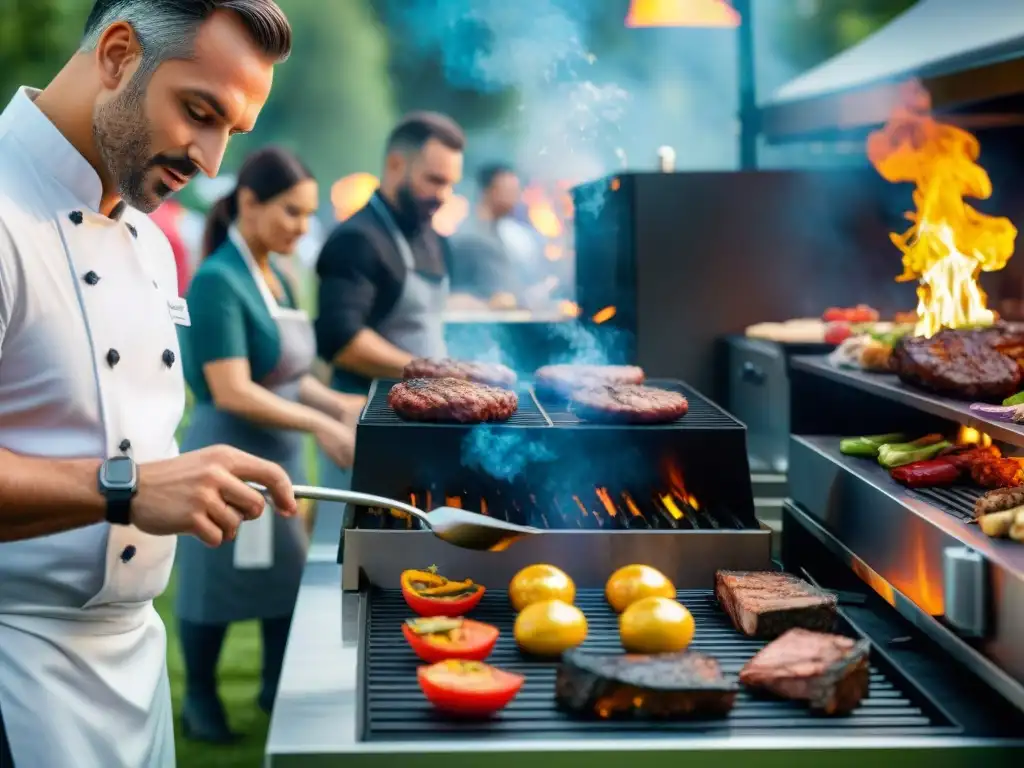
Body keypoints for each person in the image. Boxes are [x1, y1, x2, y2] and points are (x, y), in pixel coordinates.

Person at [0, 2, 295, 766]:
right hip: (15, 663)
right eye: (200, 113)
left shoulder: (152, 243)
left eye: (231, 133)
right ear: (118, 54)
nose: (212, 161)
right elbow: (125, 475)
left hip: (134, 665)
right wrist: (124, 488)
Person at [175, 147, 360, 742]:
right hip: (228, 450)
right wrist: (321, 426)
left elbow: (285, 368)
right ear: (249, 204)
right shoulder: (216, 280)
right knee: (217, 574)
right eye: (292, 213)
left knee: (280, 572)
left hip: (278, 456)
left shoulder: (276, 272)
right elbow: (232, 389)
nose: (303, 229)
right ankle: (201, 697)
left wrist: (336, 404)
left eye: (309, 215)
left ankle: (273, 686)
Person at [314, 111, 465, 492]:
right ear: (396, 164)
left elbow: (427, 315)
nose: (443, 196)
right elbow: (341, 340)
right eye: (434, 180)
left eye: (450, 184)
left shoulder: (435, 238)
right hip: (368, 423)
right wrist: (434, 373)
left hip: (426, 418)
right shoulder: (358, 239)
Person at [448, 163, 553, 310]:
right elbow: (491, 291)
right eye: (510, 191)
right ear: (489, 191)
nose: (516, 198)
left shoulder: (499, 232)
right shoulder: (472, 237)